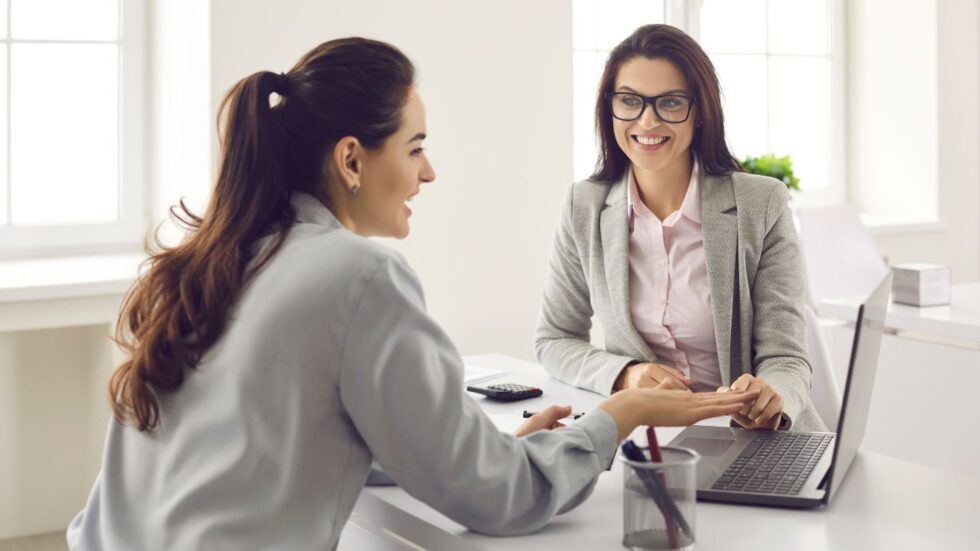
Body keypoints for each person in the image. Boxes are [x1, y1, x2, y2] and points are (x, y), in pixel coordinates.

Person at [66, 37, 756, 549]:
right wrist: (620, 412)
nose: (430, 172)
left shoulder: (202, 264)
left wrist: (476, 445)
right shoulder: (359, 276)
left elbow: (268, 450)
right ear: (351, 159)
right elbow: (499, 498)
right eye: (416, 145)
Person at [535, 24, 826, 433]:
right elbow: (554, 340)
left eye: (670, 103)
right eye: (630, 101)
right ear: (609, 108)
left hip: (752, 439)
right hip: (648, 441)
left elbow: (787, 357)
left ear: (701, 111)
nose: (648, 121)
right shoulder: (583, 206)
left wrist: (771, 394)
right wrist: (627, 375)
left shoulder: (761, 204)